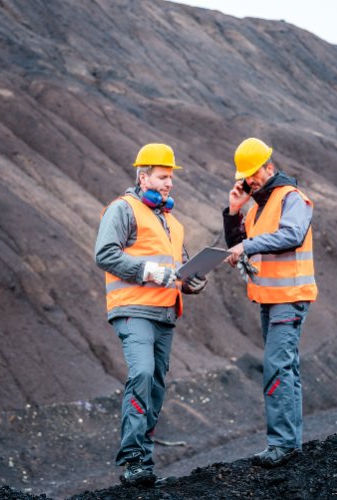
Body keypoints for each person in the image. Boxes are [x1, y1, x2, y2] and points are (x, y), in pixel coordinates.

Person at [95, 143, 207, 487]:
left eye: (171, 177)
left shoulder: (173, 222)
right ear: (143, 177)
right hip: (132, 309)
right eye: (162, 177)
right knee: (142, 373)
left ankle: (143, 462)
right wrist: (149, 271)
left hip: (165, 314)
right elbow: (105, 254)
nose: (169, 183)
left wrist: (194, 281)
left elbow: (178, 270)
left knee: (155, 387)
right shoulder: (122, 209)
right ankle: (131, 461)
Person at [223, 138, 318, 465]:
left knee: (277, 365)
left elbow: (291, 235)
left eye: (255, 173)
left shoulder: (292, 198)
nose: (251, 180)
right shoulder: (256, 209)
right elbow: (240, 244)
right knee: (285, 367)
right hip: (269, 298)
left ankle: (281, 445)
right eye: (246, 176)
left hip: (290, 297)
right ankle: (290, 445)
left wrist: (247, 248)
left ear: (270, 168)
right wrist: (234, 212)